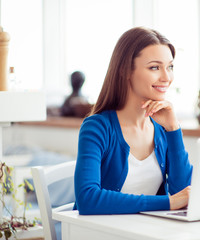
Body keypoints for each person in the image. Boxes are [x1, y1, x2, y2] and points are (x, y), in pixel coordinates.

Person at [74, 27, 193, 215]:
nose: (166, 77)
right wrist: (168, 202)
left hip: (146, 231)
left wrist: (173, 129)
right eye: (154, 67)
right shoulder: (97, 127)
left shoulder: (162, 128)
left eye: (170, 67)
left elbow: (184, 194)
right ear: (125, 70)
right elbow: (87, 199)